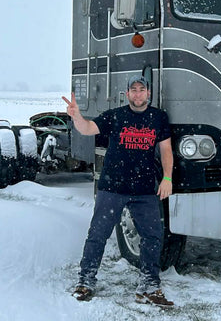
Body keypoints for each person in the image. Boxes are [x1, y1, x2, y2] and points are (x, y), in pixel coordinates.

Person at [62, 75, 174, 308]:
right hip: (113, 187)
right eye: (133, 89)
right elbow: (88, 129)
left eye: (141, 89)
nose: (137, 94)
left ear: (148, 93)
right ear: (127, 93)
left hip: (144, 189)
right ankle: (86, 281)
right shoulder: (115, 116)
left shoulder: (158, 117)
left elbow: (166, 149)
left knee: (153, 237)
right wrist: (77, 116)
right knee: (98, 235)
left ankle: (149, 286)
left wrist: (167, 178)